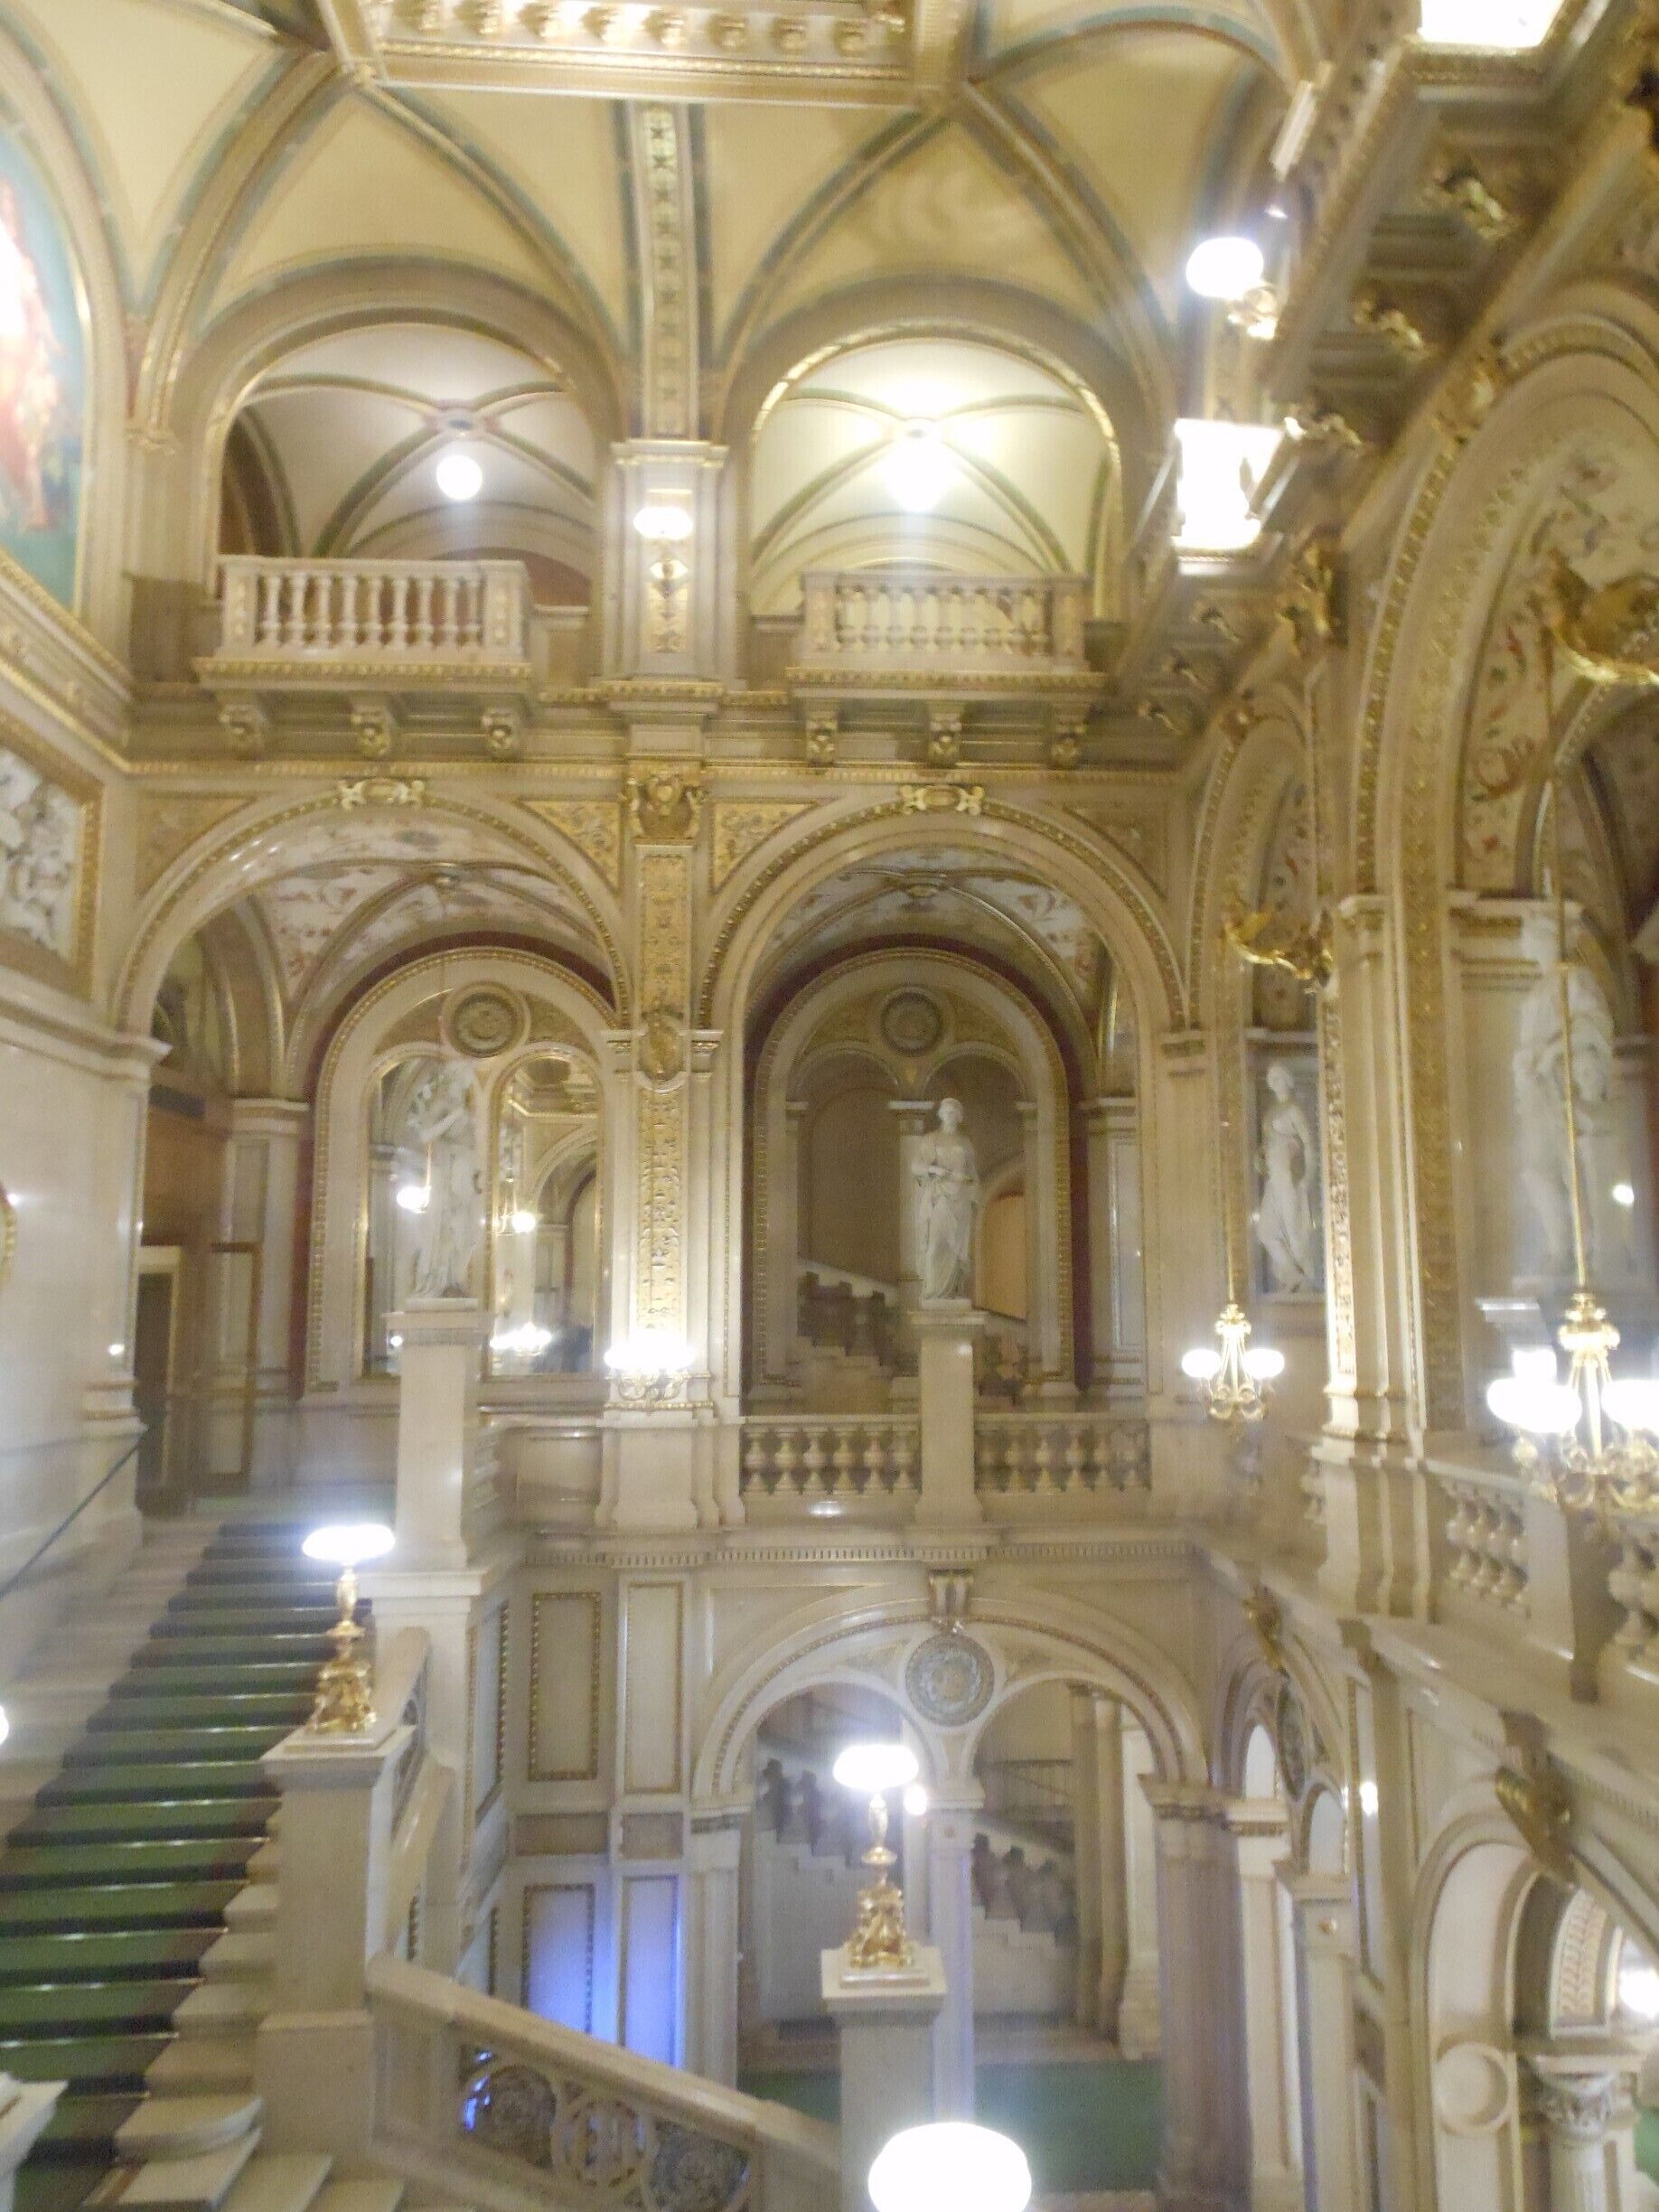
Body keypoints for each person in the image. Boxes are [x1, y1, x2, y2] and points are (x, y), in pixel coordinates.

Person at [1255, 1061, 1321, 1292]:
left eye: (1279, 1077)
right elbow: (1269, 1144)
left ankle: (1307, 1282)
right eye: (1272, 1079)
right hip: (1273, 1177)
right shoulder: (1272, 1112)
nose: (1276, 1082)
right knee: (1266, 1231)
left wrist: (1307, 1177)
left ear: (1287, 1080)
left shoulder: (1294, 1109)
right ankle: (1294, 1277)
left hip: (1289, 1177)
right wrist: (1260, 1157)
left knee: (1295, 1232)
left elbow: (1309, 1144)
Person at [913, 1097, 979, 1302]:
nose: (950, 1115)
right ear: (940, 1115)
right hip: (940, 1195)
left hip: (961, 1198)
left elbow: (972, 1173)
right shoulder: (931, 1139)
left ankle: (955, 1290)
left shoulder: (965, 1143)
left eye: (954, 1112)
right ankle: (932, 1292)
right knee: (937, 1243)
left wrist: (971, 1190)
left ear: (959, 1117)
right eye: (946, 1112)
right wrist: (935, 1169)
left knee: (958, 1250)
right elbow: (916, 1166)